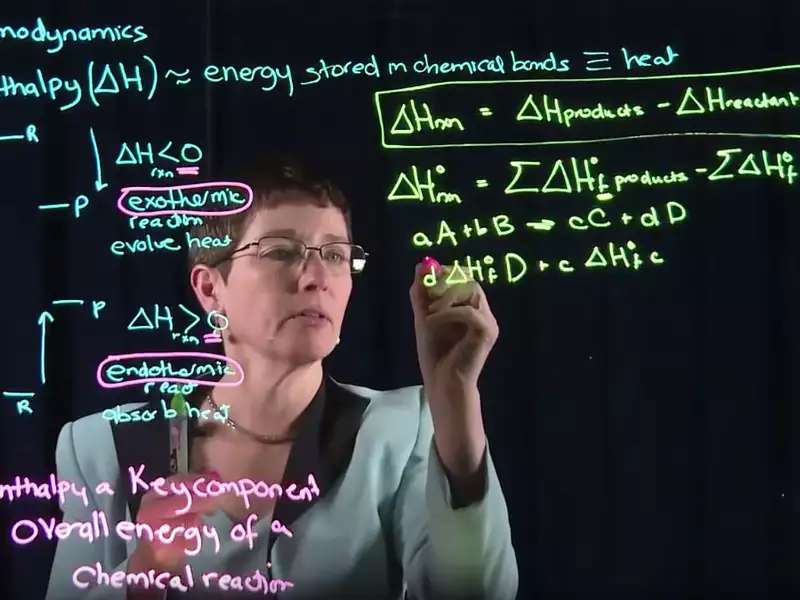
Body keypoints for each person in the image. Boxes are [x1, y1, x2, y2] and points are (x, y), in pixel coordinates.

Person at [45, 155, 518, 599]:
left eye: (335, 255)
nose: (317, 277)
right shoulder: (100, 448)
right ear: (211, 289)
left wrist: (456, 400)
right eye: (281, 252)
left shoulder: (402, 430)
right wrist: (142, 575)